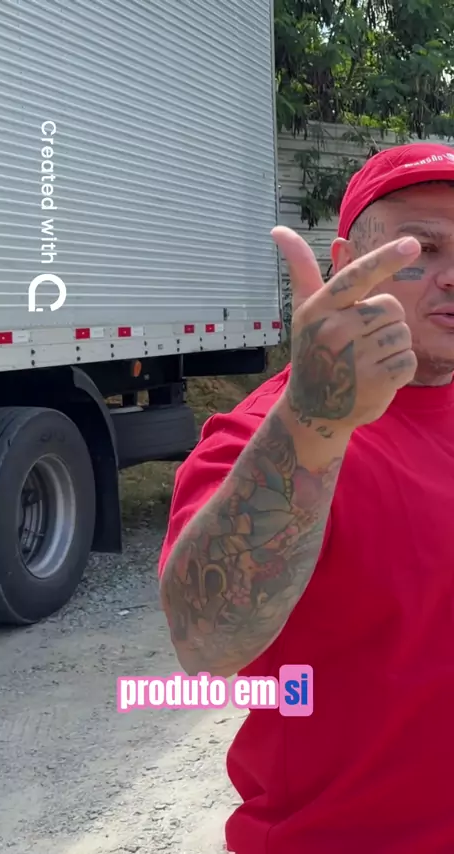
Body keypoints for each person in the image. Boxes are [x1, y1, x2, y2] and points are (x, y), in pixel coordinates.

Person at [158, 142, 454, 854]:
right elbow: (207, 643)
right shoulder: (272, 435)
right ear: (348, 261)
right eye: (425, 249)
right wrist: (315, 421)